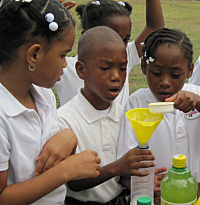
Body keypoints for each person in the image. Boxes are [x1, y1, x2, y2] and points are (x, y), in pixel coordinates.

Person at [0, 0, 101, 204]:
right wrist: (67, 171)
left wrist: (68, 138)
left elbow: (47, 158)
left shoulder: (43, 95)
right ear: (34, 55)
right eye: (63, 54)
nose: (66, 64)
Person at [57, 26, 155, 205]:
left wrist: (140, 179)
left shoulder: (123, 114)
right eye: (105, 68)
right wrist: (117, 167)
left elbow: (121, 178)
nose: (116, 77)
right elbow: (74, 183)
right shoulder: (65, 120)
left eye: (123, 68)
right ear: (81, 70)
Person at [117, 27, 200, 193]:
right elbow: (126, 163)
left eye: (175, 75)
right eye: (156, 73)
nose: (165, 82)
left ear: (190, 70)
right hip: (159, 195)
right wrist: (145, 184)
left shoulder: (196, 95)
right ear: (143, 67)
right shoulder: (137, 103)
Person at [54, 0, 164, 108]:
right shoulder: (64, 68)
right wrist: (46, 14)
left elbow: (154, 28)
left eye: (125, 39)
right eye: (105, 68)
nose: (118, 46)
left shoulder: (125, 55)